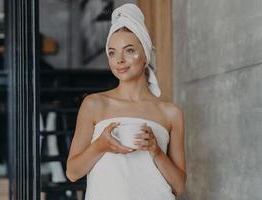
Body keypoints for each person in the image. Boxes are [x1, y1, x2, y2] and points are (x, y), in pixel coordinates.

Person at [66, 3, 186, 200]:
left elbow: (179, 188)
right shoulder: (94, 104)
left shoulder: (171, 113)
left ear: (145, 55)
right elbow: (73, 172)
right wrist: (100, 146)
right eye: (112, 52)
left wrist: (156, 151)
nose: (119, 60)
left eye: (129, 50)